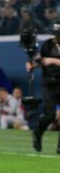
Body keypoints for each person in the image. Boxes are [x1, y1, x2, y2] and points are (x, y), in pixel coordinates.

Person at [27, 22, 60, 154]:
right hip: (50, 83)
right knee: (50, 115)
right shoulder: (48, 44)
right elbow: (39, 59)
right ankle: (38, 133)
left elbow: (50, 61)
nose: (55, 37)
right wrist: (33, 65)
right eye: (55, 34)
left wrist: (53, 61)